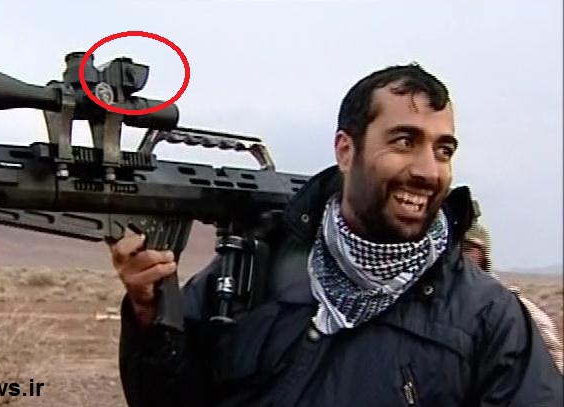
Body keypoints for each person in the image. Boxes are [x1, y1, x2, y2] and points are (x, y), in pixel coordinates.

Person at [109, 64, 563, 406]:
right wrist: (150, 318)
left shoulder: (488, 318)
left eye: (443, 150)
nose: (428, 170)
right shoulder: (250, 271)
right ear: (346, 150)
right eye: (404, 141)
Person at [463, 199, 563, 373]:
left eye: (467, 249)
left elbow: (554, 371)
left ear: (483, 256)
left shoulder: (517, 312)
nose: (460, 258)